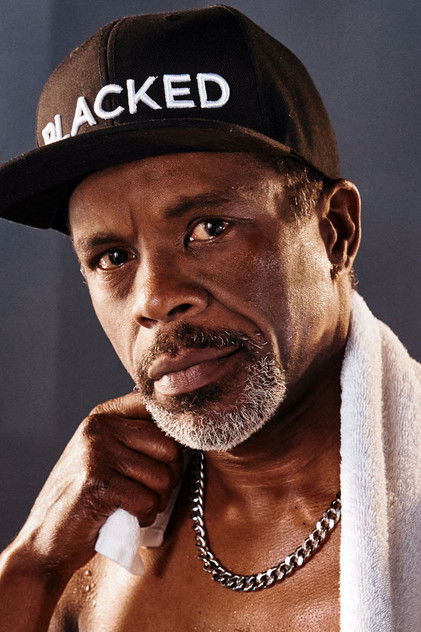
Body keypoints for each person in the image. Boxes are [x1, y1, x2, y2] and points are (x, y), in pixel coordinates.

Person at [0, 6, 419, 632]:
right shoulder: (87, 554)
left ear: (335, 232)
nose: (154, 299)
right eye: (111, 256)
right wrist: (31, 566)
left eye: (210, 228)